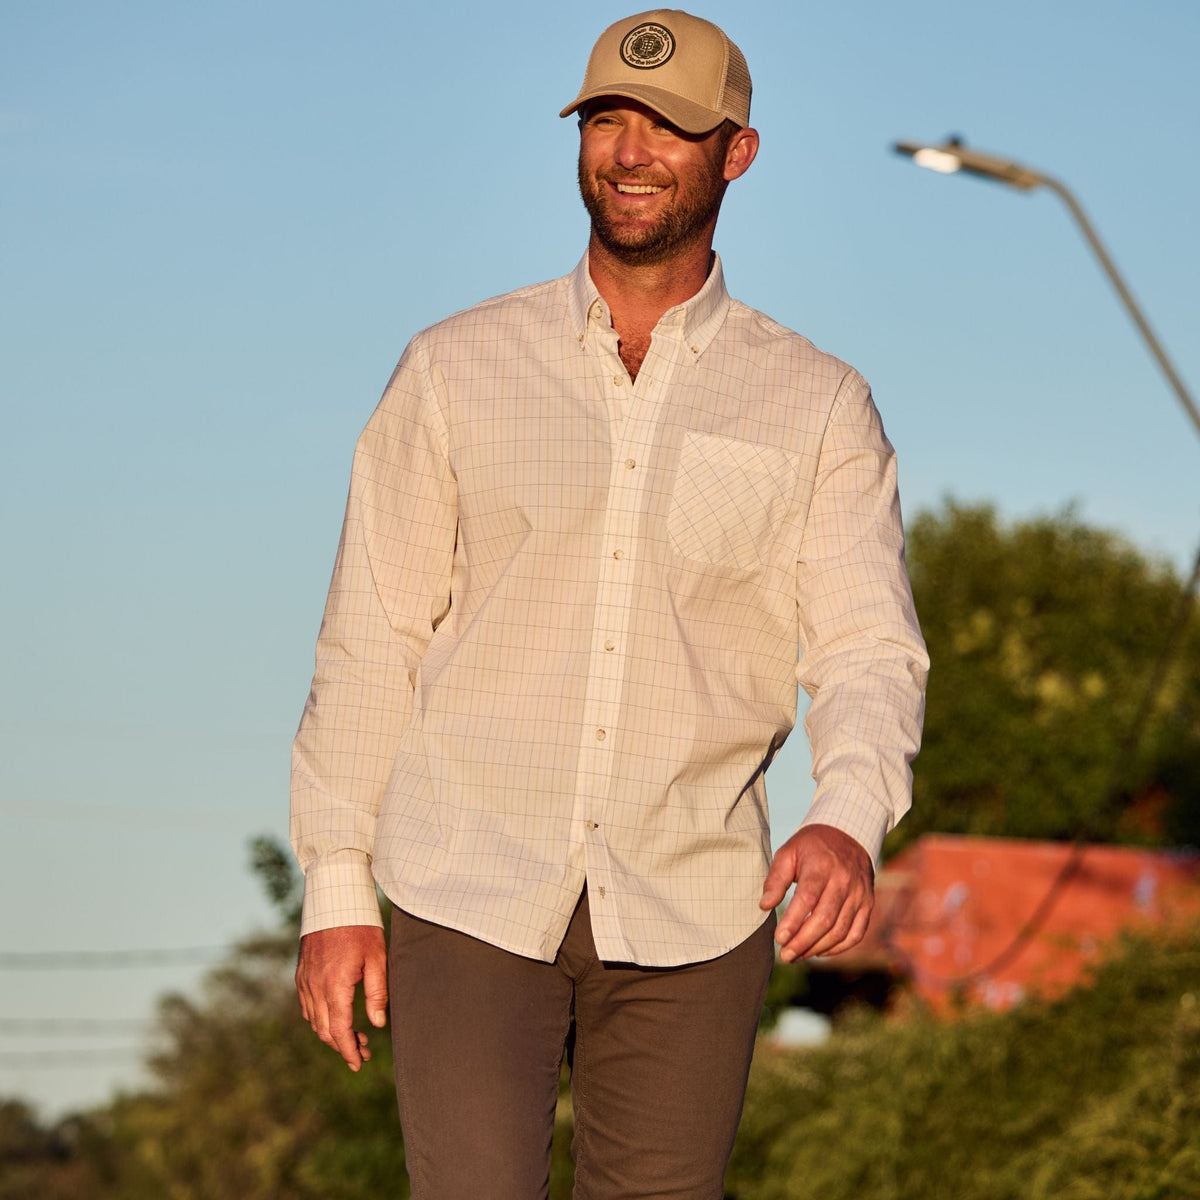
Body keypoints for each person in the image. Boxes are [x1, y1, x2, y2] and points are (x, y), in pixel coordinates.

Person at [290, 9, 927, 1198]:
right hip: (467, 880)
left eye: (669, 127)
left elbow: (866, 652)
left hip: (696, 898)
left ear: (735, 152)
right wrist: (337, 887)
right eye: (606, 120)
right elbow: (370, 638)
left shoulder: (819, 404)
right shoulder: (451, 369)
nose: (629, 153)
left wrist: (849, 815)